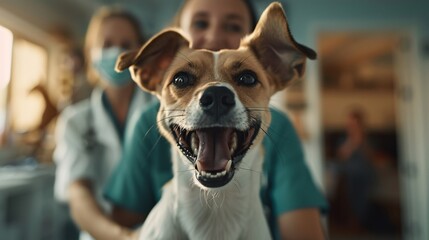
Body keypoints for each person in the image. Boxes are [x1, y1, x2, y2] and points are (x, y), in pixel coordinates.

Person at [105, 0, 328, 239]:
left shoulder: (282, 129)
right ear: (154, 68)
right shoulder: (144, 124)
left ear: (274, 63)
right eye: (182, 80)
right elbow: (121, 220)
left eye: (245, 78)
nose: (214, 35)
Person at [53, 6, 154, 240]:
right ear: (91, 53)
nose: (117, 52)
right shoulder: (75, 121)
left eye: (126, 43)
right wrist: (119, 236)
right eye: (106, 45)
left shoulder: (160, 110)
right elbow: (77, 192)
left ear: (139, 52)